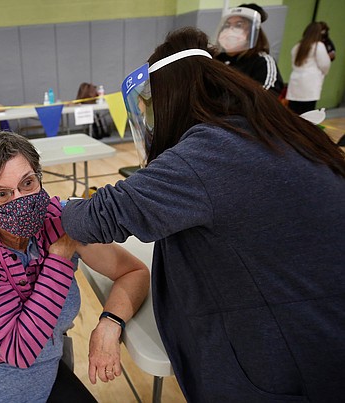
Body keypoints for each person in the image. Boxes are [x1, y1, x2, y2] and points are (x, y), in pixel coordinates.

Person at [61, 27, 345, 402]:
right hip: (318, 328)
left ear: (172, 99)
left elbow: (101, 216)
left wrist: (55, 208)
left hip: (284, 356)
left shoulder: (213, 151)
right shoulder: (271, 130)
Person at [0, 131, 150, 402]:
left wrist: (110, 323)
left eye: (27, 183)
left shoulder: (58, 220)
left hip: (48, 373)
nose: (20, 200)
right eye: (2, 194)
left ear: (39, 176)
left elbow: (134, 272)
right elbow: (19, 351)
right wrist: (60, 259)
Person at [215, 3, 284, 96]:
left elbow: (266, 96)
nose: (230, 31)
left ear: (253, 32)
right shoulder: (216, 59)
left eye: (238, 25)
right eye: (227, 25)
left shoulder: (262, 62)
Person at [286, 22, 332, 115]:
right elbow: (325, 64)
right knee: (308, 115)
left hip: (295, 83)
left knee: (294, 114)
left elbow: (294, 64)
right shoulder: (318, 46)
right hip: (310, 85)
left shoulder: (297, 46)